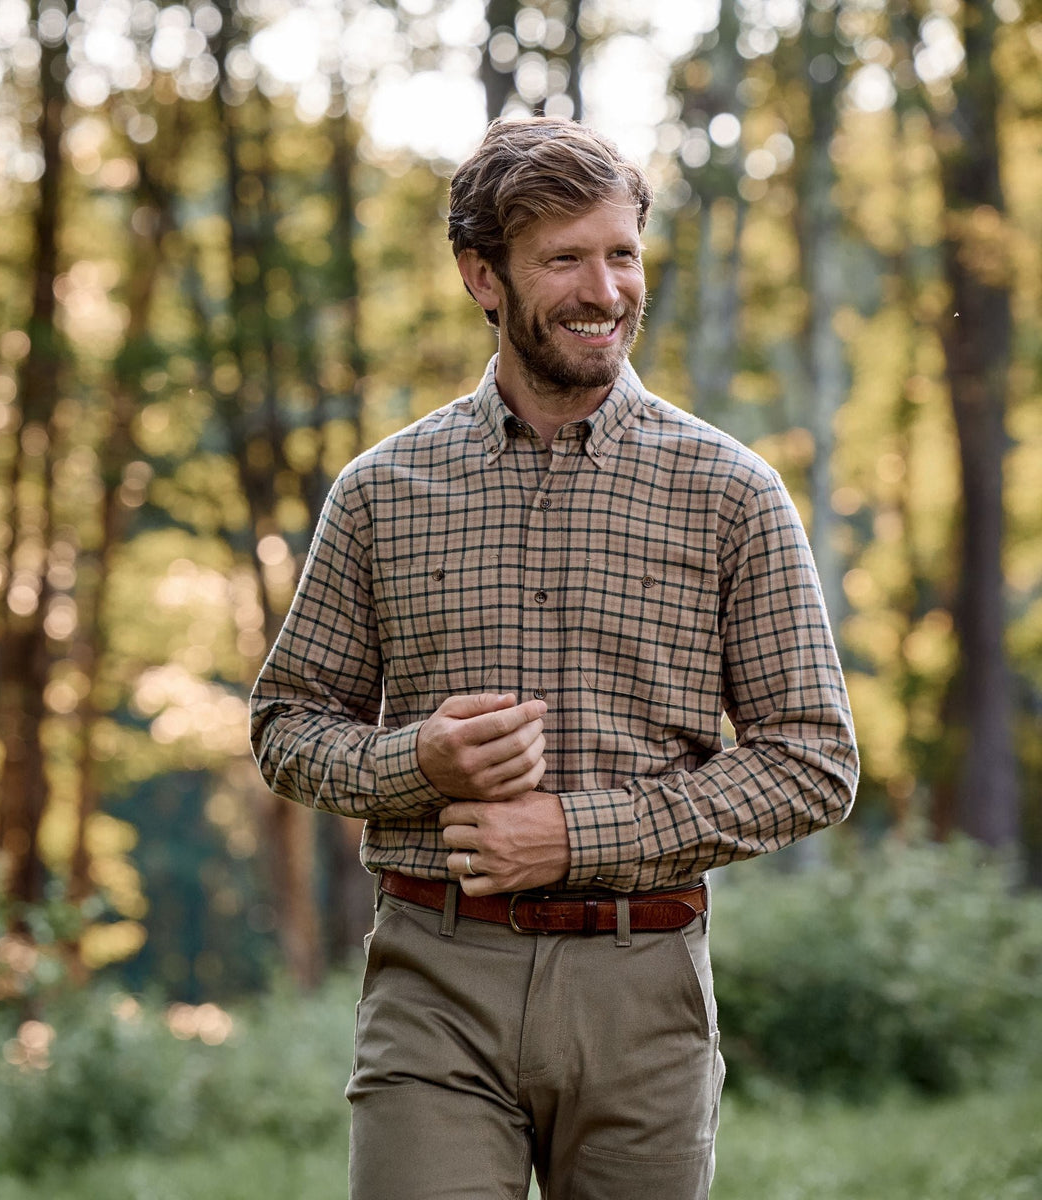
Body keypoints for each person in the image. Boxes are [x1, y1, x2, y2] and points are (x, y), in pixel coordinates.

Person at [250, 117, 859, 1200]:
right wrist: (418, 766)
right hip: (436, 978)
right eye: (564, 259)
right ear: (483, 276)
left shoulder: (732, 494)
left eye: (621, 253)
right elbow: (287, 725)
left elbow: (813, 760)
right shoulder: (383, 494)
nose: (604, 288)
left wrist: (572, 833)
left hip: (644, 987)